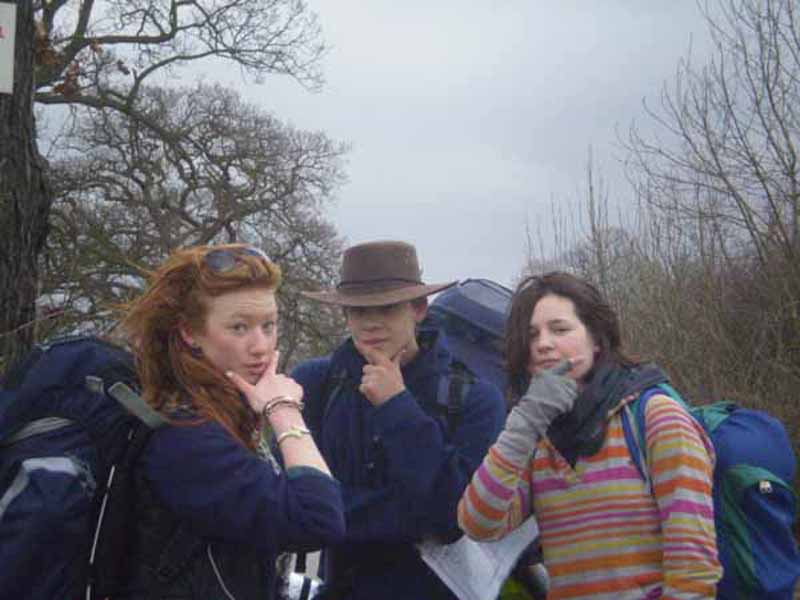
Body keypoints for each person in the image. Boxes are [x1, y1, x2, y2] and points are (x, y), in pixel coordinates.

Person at [458, 271, 722, 599]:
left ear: (596, 339)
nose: (543, 344)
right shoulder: (538, 438)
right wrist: (525, 420)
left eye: (560, 329)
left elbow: (694, 572)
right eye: (531, 335)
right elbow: (478, 523)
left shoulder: (656, 418)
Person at [119, 243, 345, 599]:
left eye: (269, 325)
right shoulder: (186, 438)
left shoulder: (221, 413)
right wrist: (284, 409)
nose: (260, 346)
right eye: (239, 327)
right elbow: (319, 517)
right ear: (189, 333)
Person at [292, 240, 507, 600]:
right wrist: (408, 515)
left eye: (388, 308)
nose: (372, 322)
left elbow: (452, 519)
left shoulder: (476, 399)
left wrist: (396, 406)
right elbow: (296, 504)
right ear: (345, 315)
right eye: (359, 310)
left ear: (418, 309)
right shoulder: (314, 385)